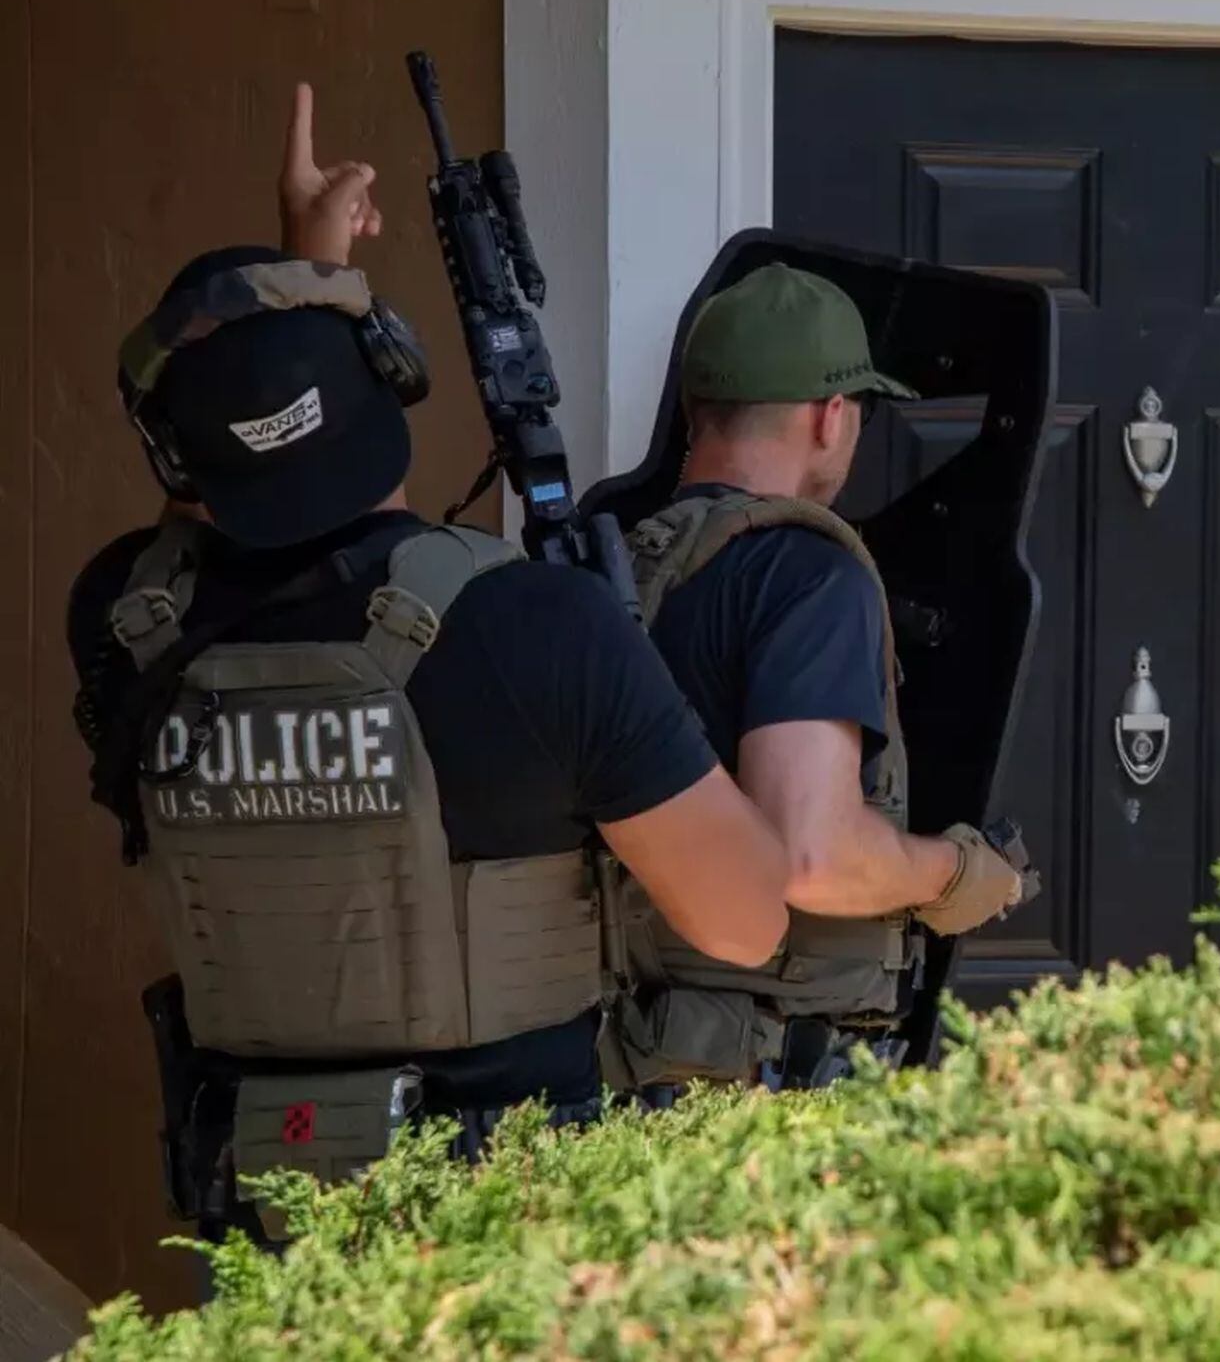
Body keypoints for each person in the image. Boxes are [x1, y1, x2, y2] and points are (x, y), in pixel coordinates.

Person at [76, 85, 792, 1246]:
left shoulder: (122, 616)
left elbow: (226, 505)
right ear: (389, 390)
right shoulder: (536, 625)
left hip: (267, 1202)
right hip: (509, 1222)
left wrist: (296, 302)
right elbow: (745, 919)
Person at [608, 264, 1025, 1093]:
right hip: (760, 1078)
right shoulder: (807, 575)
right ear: (830, 416)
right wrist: (955, 875)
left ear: (697, 412)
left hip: (628, 1053)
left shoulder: (616, 565)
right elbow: (810, 854)